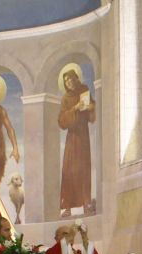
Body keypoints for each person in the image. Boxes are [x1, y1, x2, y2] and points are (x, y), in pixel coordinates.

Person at [58, 69, 96, 217]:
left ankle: (87, 204)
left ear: (76, 78)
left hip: (83, 136)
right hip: (72, 137)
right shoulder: (65, 98)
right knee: (68, 171)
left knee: (84, 169)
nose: (69, 82)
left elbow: (92, 113)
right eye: (66, 81)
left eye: (71, 79)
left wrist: (91, 107)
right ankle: (67, 207)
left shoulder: (84, 90)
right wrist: (75, 108)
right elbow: (62, 121)